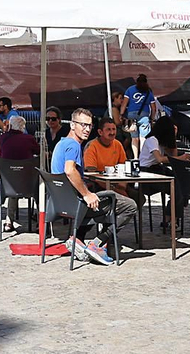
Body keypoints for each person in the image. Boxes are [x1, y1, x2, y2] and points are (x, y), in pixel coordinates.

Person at [51, 107, 139, 266]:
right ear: (72, 125)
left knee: (107, 196)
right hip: (77, 204)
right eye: (82, 125)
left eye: (89, 125)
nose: (86, 129)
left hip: (63, 203)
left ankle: (78, 239)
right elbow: (70, 171)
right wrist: (87, 194)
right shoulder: (74, 145)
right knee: (130, 205)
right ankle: (98, 244)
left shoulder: (61, 143)